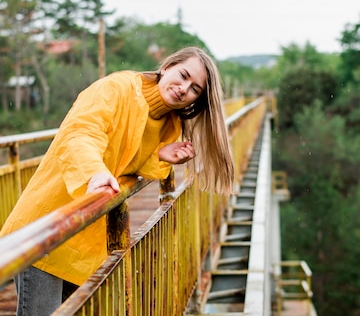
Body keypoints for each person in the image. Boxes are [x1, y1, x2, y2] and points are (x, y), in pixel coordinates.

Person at [0, 46, 235, 315]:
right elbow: (81, 133)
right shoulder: (118, 88)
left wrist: (157, 154)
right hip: (49, 224)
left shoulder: (169, 124)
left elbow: (125, 157)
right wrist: (94, 172)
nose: (184, 88)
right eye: (183, 75)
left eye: (195, 89)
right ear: (167, 66)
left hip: (87, 237)